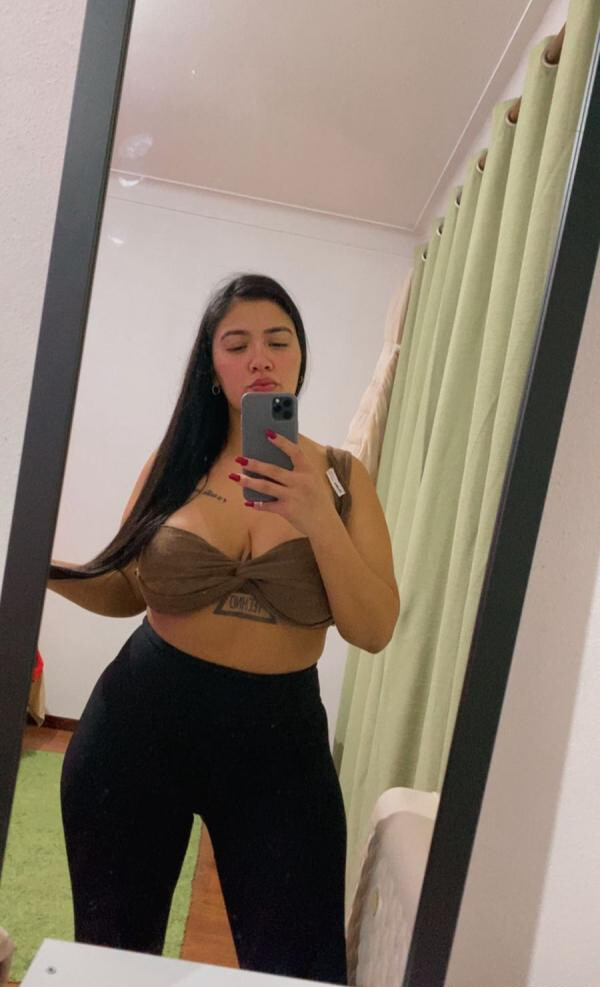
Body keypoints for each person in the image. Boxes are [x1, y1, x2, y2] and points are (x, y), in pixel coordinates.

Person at [47, 273, 400, 984]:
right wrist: (41, 568)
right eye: (236, 345)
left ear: (300, 357)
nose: (259, 357)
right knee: (114, 959)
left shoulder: (342, 479)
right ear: (213, 368)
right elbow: (126, 588)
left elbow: (373, 627)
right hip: (138, 728)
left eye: (278, 340)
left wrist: (317, 518)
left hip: (279, 750)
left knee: (298, 968)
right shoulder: (173, 464)